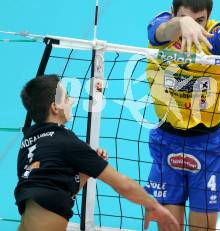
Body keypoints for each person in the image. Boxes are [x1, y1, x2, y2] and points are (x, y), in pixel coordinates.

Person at [145, 0, 220, 230]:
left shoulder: (213, 34)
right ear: (172, 11)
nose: (195, 26)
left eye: (200, 20)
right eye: (187, 18)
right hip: (166, 140)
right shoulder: (162, 26)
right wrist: (180, 24)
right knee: (168, 226)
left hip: (207, 146)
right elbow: (160, 32)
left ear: (208, 19)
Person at [15, 75, 179, 231]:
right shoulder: (66, 142)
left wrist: (85, 172)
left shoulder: (28, 143)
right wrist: (153, 205)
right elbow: (122, 184)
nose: (71, 101)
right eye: (66, 97)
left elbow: (58, 190)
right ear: (55, 107)